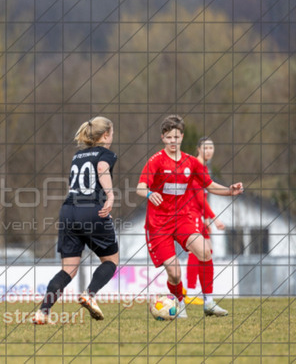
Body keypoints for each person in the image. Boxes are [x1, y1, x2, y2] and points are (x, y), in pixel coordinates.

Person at [137, 115, 243, 318]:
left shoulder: (191, 162)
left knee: (204, 250)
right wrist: (149, 193)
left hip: (182, 219)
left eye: (176, 137)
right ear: (163, 138)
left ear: (182, 137)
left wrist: (230, 191)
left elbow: (210, 185)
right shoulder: (156, 161)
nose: (173, 141)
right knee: (175, 274)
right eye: (169, 137)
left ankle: (209, 302)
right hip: (158, 225)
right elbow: (140, 187)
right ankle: (179, 301)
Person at [33, 116, 119, 324]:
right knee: (111, 261)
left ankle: (43, 312)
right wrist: (110, 196)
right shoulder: (106, 154)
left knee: (68, 269)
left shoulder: (78, 155)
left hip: (68, 210)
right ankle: (89, 294)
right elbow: (102, 169)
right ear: (105, 135)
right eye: (112, 133)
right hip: (91, 209)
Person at [183, 137, 227, 314]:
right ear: (198, 149)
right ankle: (190, 291)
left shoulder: (204, 168)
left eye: (211, 147)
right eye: (206, 147)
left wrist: (206, 219)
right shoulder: (195, 166)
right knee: (198, 252)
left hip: (199, 216)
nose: (209, 151)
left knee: (207, 251)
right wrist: (214, 218)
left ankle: (203, 295)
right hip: (191, 214)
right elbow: (199, 196)